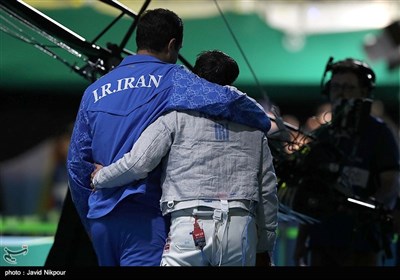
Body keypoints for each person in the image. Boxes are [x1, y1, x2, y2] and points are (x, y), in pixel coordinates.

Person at [67, 9, 271, 266]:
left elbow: (76, 165)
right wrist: (263, 121)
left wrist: (90, 218)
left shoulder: (93, 91)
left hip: (100, 220)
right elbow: (229, 101)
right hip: (145, 220)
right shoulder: (176, 81)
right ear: (172, 45)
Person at [293, 57, 400, 266]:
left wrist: (368, 208)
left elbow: (391, 184)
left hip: (363, 245)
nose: (341, 93)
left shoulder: (380, 134)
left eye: (348, 87)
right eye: (336, 87)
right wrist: (300, 241)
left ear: (364, 93)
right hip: (321, 242)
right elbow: (308, 191)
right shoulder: (323, 135)